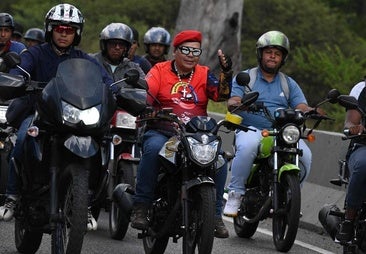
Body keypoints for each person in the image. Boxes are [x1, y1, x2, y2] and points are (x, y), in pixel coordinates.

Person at [0, 4, 113, 232]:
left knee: (101, 143)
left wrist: (114, 89)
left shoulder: (84, 59)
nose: (64, 33)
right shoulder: (34, 53)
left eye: (69, 30)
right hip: (39, 113)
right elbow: (18, 70)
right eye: (60, 28)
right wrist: (18, 79)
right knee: (23, 138)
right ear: (50, 30)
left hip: (72, 116)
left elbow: (104, 80)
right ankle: (12, 195)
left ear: (77, 33)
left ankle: (86, 203)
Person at [130, 29, 233, 238]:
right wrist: (145, 106)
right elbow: (145, 95)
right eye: (185, 50)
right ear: (175, 51)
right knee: (151, 150)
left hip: (196, 135)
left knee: (220, 160)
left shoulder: (204, 73)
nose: (190, 55)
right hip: (164, 131)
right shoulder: (160, 70)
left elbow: (221, 95)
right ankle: (141, 205)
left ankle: (214, 216)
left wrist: (226, 72)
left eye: (195, 51)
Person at [223, 30, 320, 217]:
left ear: (283, 58)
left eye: (277, 53)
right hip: (251, 129)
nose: (273, 56)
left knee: (305, 156)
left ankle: (291, 196)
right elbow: (233, 101)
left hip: (281, 132)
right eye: (269, 52)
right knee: (249, 146)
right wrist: (242, 104)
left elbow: (301, 105)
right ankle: (235, 194)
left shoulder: (288, 83)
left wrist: (311, 111)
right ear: (260, 54)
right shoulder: (246, 77)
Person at [334, 83, 366, 243]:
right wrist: (354, 128)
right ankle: (349, 220)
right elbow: (350, 122)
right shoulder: (363, 90)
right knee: (363, 165)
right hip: (363, 145)